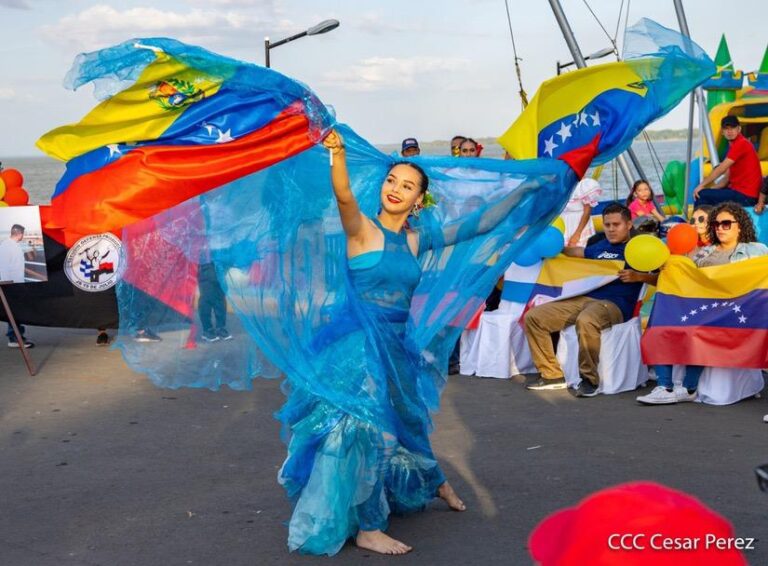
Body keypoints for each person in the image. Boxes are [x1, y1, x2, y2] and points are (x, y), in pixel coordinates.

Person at [637, 202, 768, 404]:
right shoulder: (703, 253)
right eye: (716, 224)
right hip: (703, 305)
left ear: (740, 226)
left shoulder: (757, 251)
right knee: (661, 324)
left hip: (734, 308)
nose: (720, 228)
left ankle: (689, 388)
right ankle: (664, 386)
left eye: (726, 224)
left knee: (697, 327)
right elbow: (687, 280)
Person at [524, 203, 657, 397]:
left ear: (629, 224)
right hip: (585, 297)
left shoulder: (637, 249)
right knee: (535, 317)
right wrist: (557, 249)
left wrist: (640, 276)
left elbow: (661, 278)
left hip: (615, 304)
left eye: (616, 225)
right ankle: (552, 375)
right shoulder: (601, 245)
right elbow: (578, 253)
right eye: (607, 225)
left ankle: (589, 380)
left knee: (586, 320)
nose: (611, 229)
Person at [693, 116, 762, 208]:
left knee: (702, 194)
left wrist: (701, 186)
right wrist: (711, 189)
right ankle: (705, 217)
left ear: (739, 129)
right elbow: (726, 179)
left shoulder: (741, 143)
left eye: (733, 128)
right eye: (726, 129)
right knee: (703, 194)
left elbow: (721, 169)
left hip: (746, 196)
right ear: (722, 132)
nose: (729, 131)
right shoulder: (734, 147)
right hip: (740, 193)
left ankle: (698, 217)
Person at [0, 224, 34, 348]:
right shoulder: (8, 246)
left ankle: (15, 336)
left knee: (15, 310)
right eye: (23, 234)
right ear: (20, 234)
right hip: (11, 283)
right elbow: (4, 266)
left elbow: (29, 257)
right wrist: (7, 283)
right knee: (14, 311)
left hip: (15, 282)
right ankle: (15, 338)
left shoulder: (11, 245)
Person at [561, 178, 602, 247]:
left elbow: (587, 212)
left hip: (577, 225)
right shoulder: (562, 184)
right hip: (563, 225)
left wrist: (577, 234)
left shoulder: (584, 185)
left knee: (578, 247)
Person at [197, 260, 231, 342]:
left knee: (220, 300)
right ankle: (207, 330)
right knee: (207, 299)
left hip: (219, 267)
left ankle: (220, 327)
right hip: (205, 267)